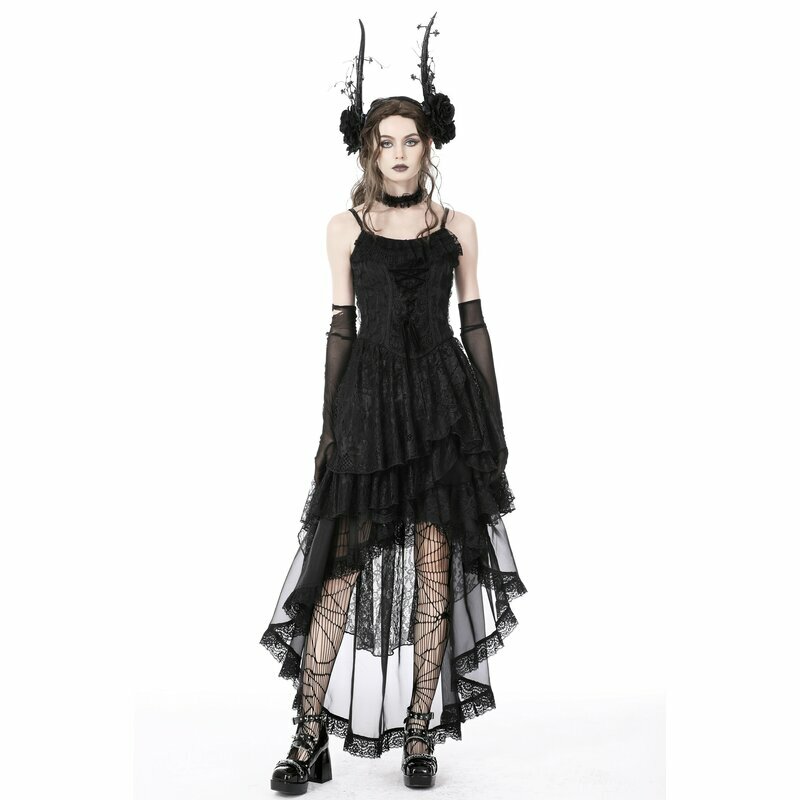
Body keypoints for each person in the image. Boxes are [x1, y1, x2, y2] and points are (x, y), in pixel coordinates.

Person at [261, 14, 527, 793]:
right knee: (337, 576)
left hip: (443, 411)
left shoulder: (458, 226)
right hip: (370, 410)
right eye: (387, 143)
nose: (401, 153)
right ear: (369, 152)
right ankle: (307, 735)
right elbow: (340, 327)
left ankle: (420, 733)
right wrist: (329, 429)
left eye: (412, 140)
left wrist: (492, 422)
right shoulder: (345, 227)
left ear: (430, 146)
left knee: (435, 573)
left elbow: (474, 324)